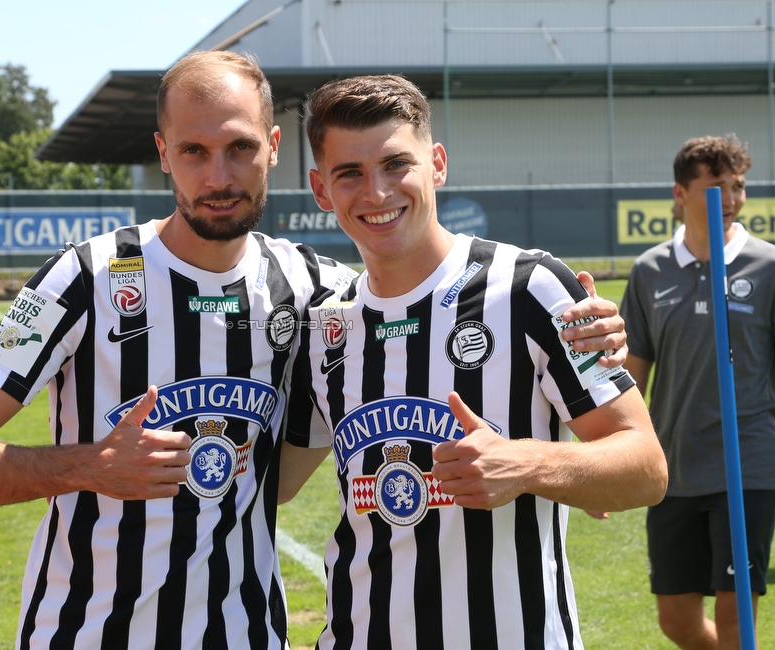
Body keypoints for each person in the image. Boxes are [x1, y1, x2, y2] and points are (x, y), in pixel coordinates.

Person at [0, 52, 629, 649]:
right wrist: (87, 466)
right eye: (194, 151)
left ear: (273, 151)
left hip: (249, 635)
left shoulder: (319, 291)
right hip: (90, 634)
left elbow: (289, 462)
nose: (218, 176)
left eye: (239, 148)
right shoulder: (81, 277)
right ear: (163, 153)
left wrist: (583, 350)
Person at [279, 74, 667, 650]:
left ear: (436, 164)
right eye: (350, 173)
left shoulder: (532, 287)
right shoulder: (326, 325)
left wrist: (529, 465)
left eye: (395, 164)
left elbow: (645, 468)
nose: (377, 192)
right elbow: (275, 482)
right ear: (320, 188)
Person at [621, 134, 775, 650]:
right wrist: (614, 454)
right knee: (678, 622)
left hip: (747, 464)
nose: (730, 199)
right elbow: (631, 375)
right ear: (681, 193)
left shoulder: (768, 267)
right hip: (673, 467)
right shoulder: (649, 272)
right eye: (717, 186)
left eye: (738, 186)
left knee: (737, 621)